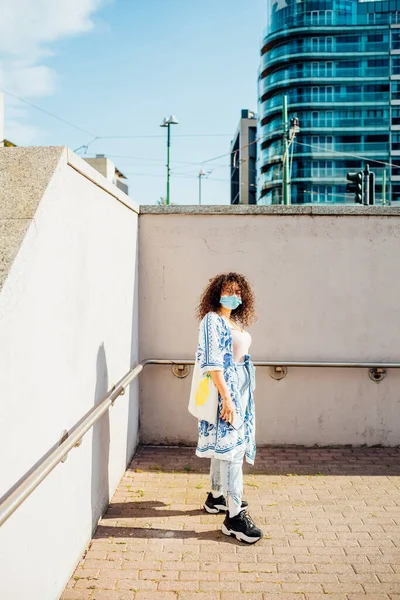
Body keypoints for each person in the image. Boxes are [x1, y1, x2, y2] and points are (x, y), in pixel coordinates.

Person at [194, 272, 263, 544]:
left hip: (240, 392)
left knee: (223, 449)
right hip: (228, 393)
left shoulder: (231, 320)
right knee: (232, 452)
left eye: (238, 292)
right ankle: (234, 518)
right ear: (217, 293)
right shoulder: (212, 320)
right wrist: (228, 398)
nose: (234, 295)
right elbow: (212, 363)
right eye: (228, 290)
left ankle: (217, 497)